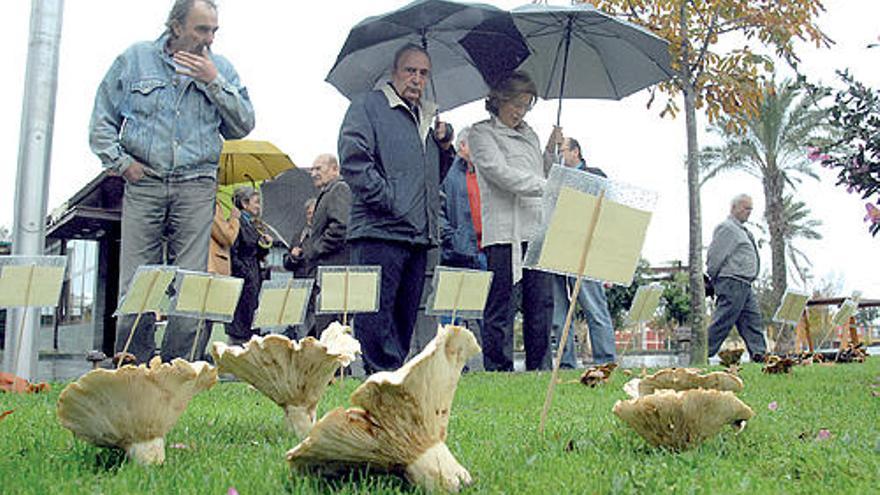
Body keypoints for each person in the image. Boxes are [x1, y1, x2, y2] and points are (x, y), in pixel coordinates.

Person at [88, 0, 255, 363]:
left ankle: (182, 368)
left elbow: (243, 125)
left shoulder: (221, 68)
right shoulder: (134, 60)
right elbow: (101, 121)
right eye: (201, 29)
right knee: (136, 277)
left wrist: (215, 83)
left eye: (214, 31)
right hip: (144, 180)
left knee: (191, 279)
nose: (209, 39)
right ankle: (132, 367)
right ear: (176, 26)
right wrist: (122, 163)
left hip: (196, 183)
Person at [338, 43, 454, 373]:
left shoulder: (427, 119)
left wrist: (444, 149)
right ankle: (377, 385)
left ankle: (391, 383)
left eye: (423, 73)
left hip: (418, 235)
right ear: (394, 73)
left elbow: (430, 179)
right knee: (375, 319)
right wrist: (391, 202)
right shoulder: (367, 106)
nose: (417, 79)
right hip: (379, 231)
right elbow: (354, 161)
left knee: (404, 320)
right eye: (410, 70)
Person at [468, 71, 556, 372]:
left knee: (541, 305)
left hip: (535, 230)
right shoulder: (481, 133)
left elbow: (542, 174)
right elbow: (500, 173)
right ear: (499, 100)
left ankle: (540, 369)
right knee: (501, 307)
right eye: (515, 103)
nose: (520, 111)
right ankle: (498, 370)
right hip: (504, 234)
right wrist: (544, 186)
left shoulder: (530, 134)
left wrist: (549, 152)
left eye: (526, 104)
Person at [549, 137, 617, 368]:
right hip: (558, 250)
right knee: (559, 314)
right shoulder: (555, 179)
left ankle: (605, 361)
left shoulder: (594, 175)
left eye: (563, 149)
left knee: (594, 308)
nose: (560, 154)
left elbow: (607, 212)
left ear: (575, 152)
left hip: (585, 250)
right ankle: (566, 363)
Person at [706, 194, 768, 362]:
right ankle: (701, 354)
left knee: (752, 321)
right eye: (745, 208)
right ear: (734, 208)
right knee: (723, 321)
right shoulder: (727, 228)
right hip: (732, 281)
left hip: (745, 284)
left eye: (751, 209)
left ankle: (760, 356)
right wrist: (713, 279)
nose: (749, 212)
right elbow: (715, 256)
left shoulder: (742, 231)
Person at [438, 127, 486, 334]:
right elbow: (437, 210)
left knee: (488, 311)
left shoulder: (487, 171)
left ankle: (494, 364)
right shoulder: (448, 172)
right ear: (463, 146)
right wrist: (452, 237)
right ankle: (447, 361)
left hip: (485, 251)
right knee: (451, 313)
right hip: (455, 252)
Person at [298, 154, 352, 337]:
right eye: (312, 169)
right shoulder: (329, 191)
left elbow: (340, 227)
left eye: (318, 168)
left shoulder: (339, 189)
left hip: (332, 274)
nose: (313, 173)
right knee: (325, 334)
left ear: (334, 169)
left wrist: (315, 248)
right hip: (326, 275)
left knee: (330, 335)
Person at [226, 187, 272, 345]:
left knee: (252, 323)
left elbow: (258, 253)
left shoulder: (254, 226)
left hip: (253, 278)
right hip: (243, 281)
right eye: (256, 202)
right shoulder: (236, 224)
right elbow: (232, 253)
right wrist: (245, 274)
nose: (259, 207)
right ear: (244, 204)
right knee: (241, 326)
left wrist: (264, 244)